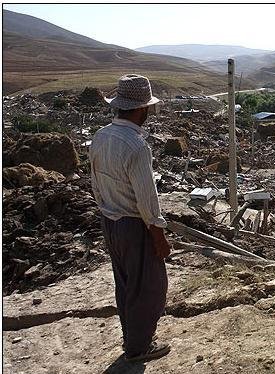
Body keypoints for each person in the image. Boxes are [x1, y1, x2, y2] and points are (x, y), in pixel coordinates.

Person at [89, 74, 172, 362]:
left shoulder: (100, 137)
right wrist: (158, 234)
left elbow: (95, 183)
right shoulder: (137, 146)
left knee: (125, 283)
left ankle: (132, 339)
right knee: (151, 287)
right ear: (142, 109)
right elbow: (147, 198)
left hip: (109, 221)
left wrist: (106, 210)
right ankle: (139, 348)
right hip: (134, 225)